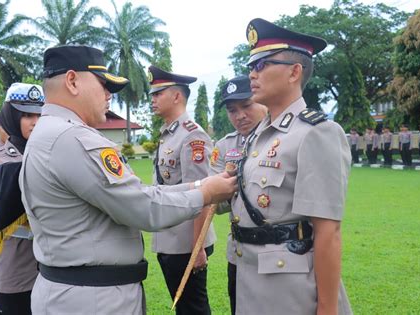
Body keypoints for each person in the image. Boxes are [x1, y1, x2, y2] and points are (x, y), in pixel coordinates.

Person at [19, 45, 237, 314]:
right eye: (103, 84)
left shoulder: (47, 132)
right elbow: (142, 206)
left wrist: (199, 185)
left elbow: (141, 191)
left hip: (76, 290)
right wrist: (205, 194)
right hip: (94, 300)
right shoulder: (74, 139)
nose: (109, 94)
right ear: (72, 81)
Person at [226, 18, 352, 314]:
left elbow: (328, 231)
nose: (252, 74)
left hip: (290, 287)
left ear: (294, 72)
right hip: (250, 274)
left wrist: (327, 308)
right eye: (250, 67)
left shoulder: (316, 132)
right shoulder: (259, 134)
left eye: (262, 65)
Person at [148, 65, 215, 315]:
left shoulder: (191, 136)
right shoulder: (168, 133)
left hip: (185, 242)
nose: (152, 100)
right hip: (170, 237)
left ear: (176, 96)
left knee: (193, 309)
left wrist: (197, 248)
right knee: (184, 308)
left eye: (158, 94)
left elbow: (203, 194)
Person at [0, 83, 44, 314]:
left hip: (56, 269)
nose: (35, 122)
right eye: (26, 115)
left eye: (39, 114)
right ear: (11, 116)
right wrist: (8, 193)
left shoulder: (52, 154)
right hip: (17, 271)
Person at [209, 75, 267, 315]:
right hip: (239, 252)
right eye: (233, 110)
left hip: (276, 253)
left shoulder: (283, 139)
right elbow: (217, 205)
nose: (240, 115)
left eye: (246, 106)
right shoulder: (224, 147)